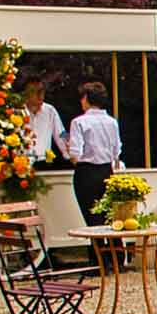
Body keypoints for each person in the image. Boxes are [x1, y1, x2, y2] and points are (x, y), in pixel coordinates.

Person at [63, 80, 122, 217]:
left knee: (92, 218)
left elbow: (75, 154)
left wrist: (71, 151)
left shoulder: (79, 122)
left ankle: (97, 240)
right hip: (107, 171)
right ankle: (112, 239)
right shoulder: (112, 122)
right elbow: (116, 151)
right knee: (108, 217)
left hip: (86, 172)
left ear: (86, 99)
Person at [20, 75, 66, 166]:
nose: (40, 94)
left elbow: (61, 134)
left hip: (44, 162)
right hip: (21, 162)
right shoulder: (17, 112)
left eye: (42, 91)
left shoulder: (50, 110)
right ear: (26, 93)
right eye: (35, 91)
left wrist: (72, 154)